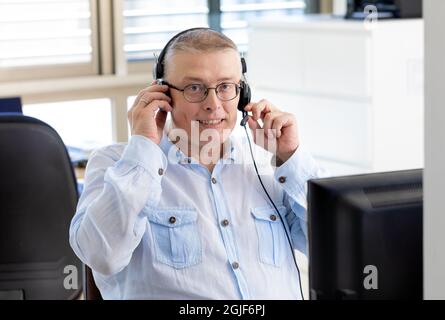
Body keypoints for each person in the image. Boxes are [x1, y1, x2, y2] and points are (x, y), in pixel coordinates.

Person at [69, 28, 325, 300]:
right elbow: (101, 256)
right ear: (162, 93)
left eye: (226, 86)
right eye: (195, 88)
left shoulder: (268, 166)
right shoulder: (116, 164)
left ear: (243, 93)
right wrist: (143, 147)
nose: (213, 105)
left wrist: (291, 157)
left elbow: (333, 250)